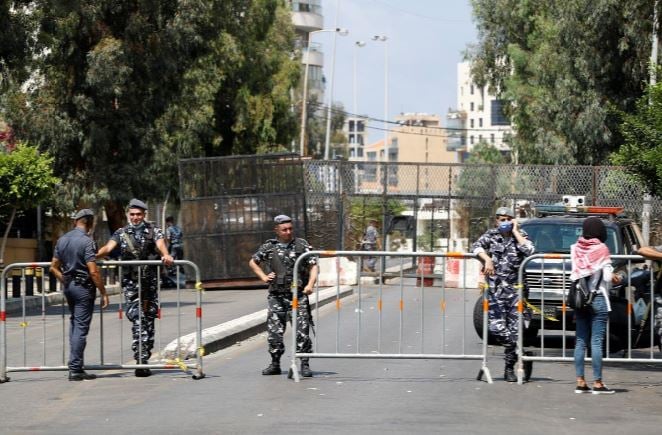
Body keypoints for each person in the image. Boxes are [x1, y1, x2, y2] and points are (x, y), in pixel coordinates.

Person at [96, 199, 174, 377]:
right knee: (138, 319)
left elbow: (161, 244)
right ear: (128, 215)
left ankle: (144, 356)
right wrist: (92, 255)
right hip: (131, 283)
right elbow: (108, 248)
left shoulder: (154, 231)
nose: (135, 217)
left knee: (149, 319)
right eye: (132, 214)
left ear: (144, 214)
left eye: (138, 214)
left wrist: (166, 255)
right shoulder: (121, 233)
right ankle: (140, 361)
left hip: (149, 283)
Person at [248, 214, 319, 377]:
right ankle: (275, 363)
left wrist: (310, 285)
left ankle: (304, 364)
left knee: (302, 331)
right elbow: (253, 262)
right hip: (276, 297)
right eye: (284, 229)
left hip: (298, 296)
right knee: (274, 333)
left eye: (290, 229)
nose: (288, 232)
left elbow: (313, 266)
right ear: (276, 230)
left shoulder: (301, 245)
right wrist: (264, 277)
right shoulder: (269, 247)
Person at [472, 206, 535, 382]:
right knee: (496, 328)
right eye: (501, 219)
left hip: (516, 292)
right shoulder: (491, 236)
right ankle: (522, 353)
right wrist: (487, 259)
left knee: (515, 331)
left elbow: (530, 251)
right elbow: (475, 247)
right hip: (496, 292)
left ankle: (509, 369)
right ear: (496, 220)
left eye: (508, 218)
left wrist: (516, 232)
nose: (505, 222)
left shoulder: (520, 236)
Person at [50, 209, 110, 381]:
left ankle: (76, 365)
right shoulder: (87, 242)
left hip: (69, 287)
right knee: (81, 328)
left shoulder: (63, 239)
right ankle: (75, 369)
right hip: (83, 288)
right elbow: (93, 271)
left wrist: (65, 279)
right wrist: (103, 292)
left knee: (75, 325)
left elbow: (53, 266)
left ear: (75, 222)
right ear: (90, 223)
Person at [571, 217, 619, 394]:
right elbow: (606, 277)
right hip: (598, 298)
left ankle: (580, 382)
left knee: (580, 341)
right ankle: (598, 383)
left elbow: (576, 273)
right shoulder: (602, 249)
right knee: (596, 342)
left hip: (580, 300)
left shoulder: (576, 248)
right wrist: (614, 276)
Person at [164, 216, 184, 287]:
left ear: (168, 222)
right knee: (180, 258)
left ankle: (171, 271)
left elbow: (168, 238)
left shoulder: (169, 229)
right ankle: (182, 270)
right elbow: (181, 235)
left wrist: (169, 244)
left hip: (174, 245)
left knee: (171, 257)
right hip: (181, 245)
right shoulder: (178, 228)